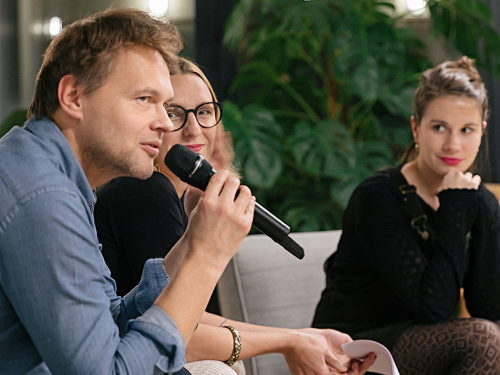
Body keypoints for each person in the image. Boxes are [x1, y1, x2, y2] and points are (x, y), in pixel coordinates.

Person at [0, 8, 256, 375]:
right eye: (144, 100)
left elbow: (108, 322)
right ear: (73, 96)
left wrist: (190, 244)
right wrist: (207, 258)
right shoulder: (42, 198)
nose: (164, 122)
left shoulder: (50, 175)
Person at [94, 57, 377, 375]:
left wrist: (301, 337)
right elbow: (179, 336)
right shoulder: (145, 190)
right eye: (174, 113)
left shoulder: (172, 195)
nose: (194, 130)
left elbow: (185, 317)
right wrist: (289, 343)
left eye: (204, 112)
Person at [312, 56, 500, 375]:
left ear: (481, 132)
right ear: (416, 127)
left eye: (466, 130)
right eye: (439, 127)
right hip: (352, 347)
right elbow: (434, 307)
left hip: (427, 342)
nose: (453, 144)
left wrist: (480, 211)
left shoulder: (476, 199)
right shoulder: (379, 197)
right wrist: (453, 207)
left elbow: (489, 307)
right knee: (482, 341)